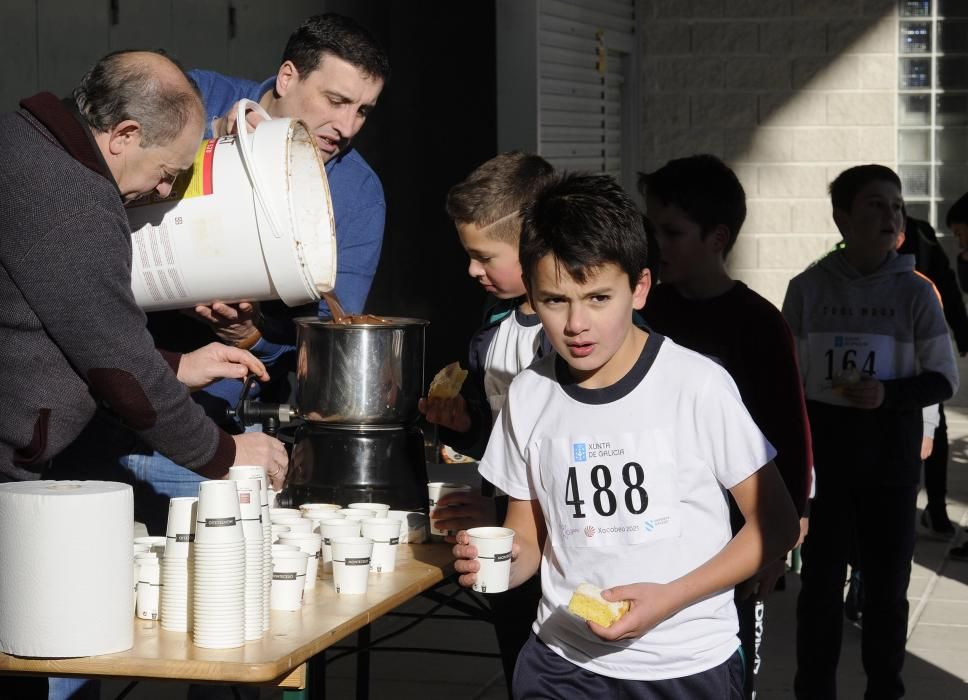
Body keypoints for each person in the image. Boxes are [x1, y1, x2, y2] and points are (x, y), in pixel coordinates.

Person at [0, 49, 288, 700]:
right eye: (166, 173)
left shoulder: (24, 140)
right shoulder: (75, 202)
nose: (163, 192)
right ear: (124, 135)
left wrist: (179, 363)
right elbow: (120, 374)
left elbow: (58, 320)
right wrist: (227, 452)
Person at [453, 172, 799, 698]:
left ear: (639, 288)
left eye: (597, 298)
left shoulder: (696, 385)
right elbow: (527, 536)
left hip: (684, 665)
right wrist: (495, 561)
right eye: (553, 300)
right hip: (561, 664)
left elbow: (775, 527)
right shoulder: (528, 395)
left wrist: (672, 597)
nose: (575, 324)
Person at [109, 13, 391, 526]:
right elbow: (99, 151)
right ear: (287, 77)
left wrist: (250, 335)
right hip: (103, 387)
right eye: (336, 101)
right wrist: (207, 142)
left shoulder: (358, 195)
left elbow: (332, 334)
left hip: (212, 423)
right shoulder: (196, 99)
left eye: (364, 111)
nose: (347, 128)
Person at [638, 154, 812, 699]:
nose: (658, 244)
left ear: (717, 237)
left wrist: (790, 523)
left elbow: (789, 425)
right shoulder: (646, 312)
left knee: (726, 662)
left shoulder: (760, 323)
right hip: (658, 516)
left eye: (672, 231)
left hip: (735, 528)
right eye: (653, 229)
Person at [783, 165, 958, 699]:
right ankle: (815, 691)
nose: (890, 216)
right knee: (818, 589)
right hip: (829, 465)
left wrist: (889, 395)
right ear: (842, 217)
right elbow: (789, 383)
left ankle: (886, 689)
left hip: (891, 463)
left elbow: (943, 379)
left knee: (886, 591)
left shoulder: (917, 293)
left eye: (896, 206)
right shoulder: (808, 289)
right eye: (875, 205)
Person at [419, 151, 555, 690]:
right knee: (520, 667)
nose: (472, 270)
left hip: (558, 545)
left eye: (483, 256)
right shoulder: (496, 326)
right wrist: (462, 426)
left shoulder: (569, 334)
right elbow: (502, 437)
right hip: (509, 537)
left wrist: (499, 508)